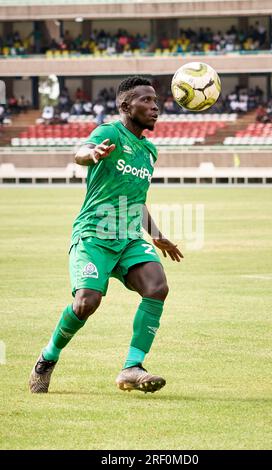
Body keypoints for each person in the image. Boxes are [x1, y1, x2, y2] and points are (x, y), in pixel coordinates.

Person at [29, 76, 183, 394]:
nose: (155, 107)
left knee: (157, 287)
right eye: (146, 100)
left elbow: (135, 200)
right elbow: (80, 152)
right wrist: (93, 153)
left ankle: (132, 367)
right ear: (125, 105)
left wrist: (157, 235)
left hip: (128, 238)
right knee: (87, 303)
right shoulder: (109, 132)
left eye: (156, 101)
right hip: (94, 234)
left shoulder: (149, 151)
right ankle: (48, 357)